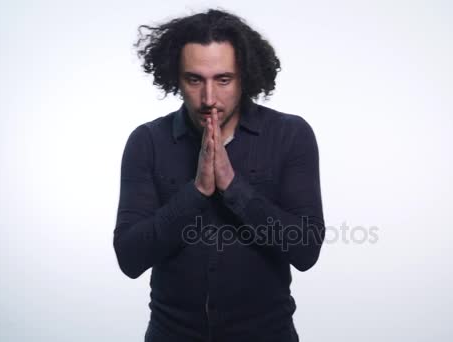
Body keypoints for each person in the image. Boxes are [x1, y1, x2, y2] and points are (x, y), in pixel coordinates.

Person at [113, 8, 325, 342]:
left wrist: (233, 187)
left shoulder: (290, 135)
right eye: (194, 79)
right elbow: (130, 257)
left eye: (223, 80)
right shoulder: (148, 141)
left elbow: (307, 250)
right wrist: (197, 191)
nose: (209, 99)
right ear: (176, 77)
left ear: (245, 78)